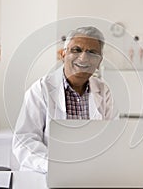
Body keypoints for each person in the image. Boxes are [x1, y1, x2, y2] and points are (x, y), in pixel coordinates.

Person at [12, 26, 119, 173]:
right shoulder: (41, 89)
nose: (83, 57)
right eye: (76, 50)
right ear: (63, 54)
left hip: (90, 174)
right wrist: (56, 166)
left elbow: (112, 138)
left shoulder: (103, 91)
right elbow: (25, 141)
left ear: (99, 62)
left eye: (92, 52)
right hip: (46, 174)